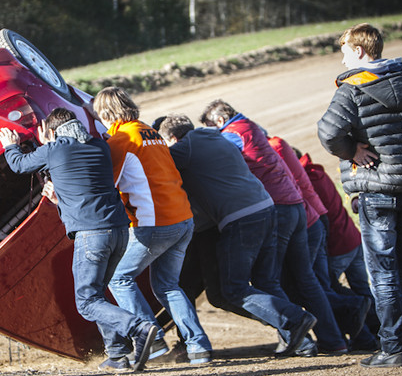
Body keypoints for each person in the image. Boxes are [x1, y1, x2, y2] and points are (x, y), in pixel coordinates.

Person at [0, 107, 158, 373]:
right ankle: (117, 355)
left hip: (92, 235)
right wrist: (60, 199)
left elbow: (19, 165)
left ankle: (138, 327)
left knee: (87, 302)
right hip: (118, 230)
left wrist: (10, 146)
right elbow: (84, 183)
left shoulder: (56, 148)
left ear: (52, 132)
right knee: (98, 296)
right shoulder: (98, 146)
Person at [317, 23, 402, 368]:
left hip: (377, 189)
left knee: (383, 273)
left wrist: (352, 151)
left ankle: (392, 349)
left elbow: (328, 132)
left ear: (359, 51)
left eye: (344, 52)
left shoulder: (353, 88)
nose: (341, 59)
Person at [157, 115, 316, 358]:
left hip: (240, 219)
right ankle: (302, 340)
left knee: (233, 289)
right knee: (247, 288)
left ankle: (294, 318)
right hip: (267, 208)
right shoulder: (216, 138)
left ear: (173, 139)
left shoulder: (184, 148)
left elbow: (156, 167)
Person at [200, 100, 347, 354]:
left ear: (220, 120)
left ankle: (299, 340)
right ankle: (333, 340)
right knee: (306, 280)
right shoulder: (252, 127)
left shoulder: (232, 134)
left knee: (267, 280)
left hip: (275, 207)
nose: (213, 132)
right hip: (296, 206)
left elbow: (219, 154)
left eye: (211, 127)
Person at [92, 87, 212, 365]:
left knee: (119, 278)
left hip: (154, 224)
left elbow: (104, 185)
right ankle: (198, 346)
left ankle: (153, 341)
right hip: (183, 219)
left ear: (107, 114)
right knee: (168, 285)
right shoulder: (150, 132)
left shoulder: (121, 140)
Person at [296, 150, 380, 346]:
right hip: (353, 238)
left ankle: (363, 336)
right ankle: (383, 332)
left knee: (328, 291)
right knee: (363, 289)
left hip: (337, 246)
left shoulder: (305, 181)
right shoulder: (318, 173)